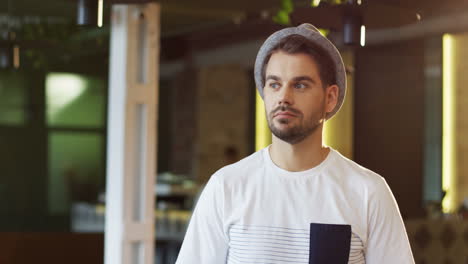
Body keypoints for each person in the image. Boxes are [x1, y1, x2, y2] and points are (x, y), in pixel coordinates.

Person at [175, 23, 415, 264]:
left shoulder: (368, 192)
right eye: (275, 84)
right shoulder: (226, 187)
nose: (284, 98)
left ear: (330, 98)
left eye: (300, 85)